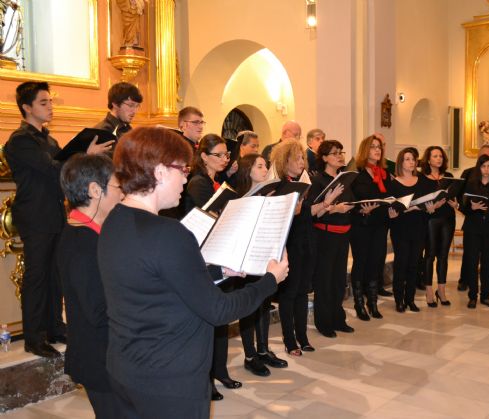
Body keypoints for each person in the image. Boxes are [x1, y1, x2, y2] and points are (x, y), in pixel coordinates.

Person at [98, 127, 289, 419]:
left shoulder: (114, 220)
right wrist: (269, 281)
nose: (186, 176)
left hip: (125, 367)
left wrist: (217, 271)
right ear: (160, 171)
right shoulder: (169, 233)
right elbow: (218, 310)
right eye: (182, 168)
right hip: (171, 379)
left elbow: (157, 281)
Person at [4, 81, 112, 358]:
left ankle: (54, 327)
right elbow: (51, 169)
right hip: (34, 215)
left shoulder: (50, 140)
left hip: (54, 213)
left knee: (56, 274)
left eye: (50, 101)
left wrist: (81, 158)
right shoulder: (19, 141)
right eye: (43, 102)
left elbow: (63, 171)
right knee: (37, 275)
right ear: (26, 108)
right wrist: (83, 155)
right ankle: (34, 337)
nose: (50, 106)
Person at [57, 154, 123, 419]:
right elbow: (98, 311)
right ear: (96, 190)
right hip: (101, 359)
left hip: (106, 356)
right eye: (118, 187)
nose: (122, 194)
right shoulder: (82, 245)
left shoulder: (87, 234)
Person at [184, 134, 239, 401]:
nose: (224, 159)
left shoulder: (216, 181)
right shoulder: (198, 183)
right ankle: (207, 380)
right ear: (204, 156)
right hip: (202, 255)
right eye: (219, 154)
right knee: (210, 318)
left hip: (217, 251)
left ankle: (220, 370)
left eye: (226, 154)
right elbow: (203, 219)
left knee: (221, 317)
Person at [234, 154, 289, 376]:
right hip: (247, 257)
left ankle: (263, 350)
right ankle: (250, 355)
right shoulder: (239, 198)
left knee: (264, 304)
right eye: (259, 166)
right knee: (249, 305)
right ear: (248, 171)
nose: (265, 169)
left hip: (267, 253)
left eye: (265, 165)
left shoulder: (271, 194)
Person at [271, 139, 315, 356]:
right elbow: (277, 219)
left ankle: (303, 336)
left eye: (303, 158)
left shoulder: (302, 182)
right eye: (297, 158)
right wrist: (293, 212)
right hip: (289, 246)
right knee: (289, 294)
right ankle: (290, 341)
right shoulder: (280, 186)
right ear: (285, 160)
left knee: (303, 292)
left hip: (306, 243)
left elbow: (307, 214)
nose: (301, 162)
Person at [308, 140, 355, 336]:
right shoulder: (318, 180)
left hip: (343, 235)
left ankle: (338, 318)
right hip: (325, 236)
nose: (340, 156)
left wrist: (348, 206)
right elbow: (315, 211)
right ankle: (323, 322)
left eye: (341, 152)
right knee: (324, 281)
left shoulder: (344, 178)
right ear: (325, 157)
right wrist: (335, 207)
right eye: (335, 153)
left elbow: (352, 201)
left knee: (338, 281)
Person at [350, 135, 392, 320]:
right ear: (365, 150)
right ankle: (359, 304)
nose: (377, 150)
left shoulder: (383, 173)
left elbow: (389, 197)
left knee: (376, 263)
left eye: (379, 147)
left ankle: (372, 303)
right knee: (361, 263)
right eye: (373, 147)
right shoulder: (356, 174)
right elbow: (352, 200)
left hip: (380, 224)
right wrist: (363, 209)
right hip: (361, 226)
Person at [456, 144, 489, 293]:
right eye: (484, 164)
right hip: (473, 225)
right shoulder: (469, 177)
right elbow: (462, 201)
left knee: (488, 259)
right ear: (479, 160)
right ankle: (467, 284)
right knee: (470, 257)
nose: (487, 168)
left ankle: (487, 287)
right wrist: (471, 207)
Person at [388, 147, 427, 313]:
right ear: (401, 162)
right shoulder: (393, 184)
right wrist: (393, 213)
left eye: (413, 159)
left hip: (418, 227)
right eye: (408, 159)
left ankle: (410, 299)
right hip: (401, 229)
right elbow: (391, 208)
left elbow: (427, 202)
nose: (412, 162)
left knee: (414, 264)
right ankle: (399, 300)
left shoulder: (422, 181)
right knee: (401, 264)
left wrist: (424, 207)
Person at [420, 146, 457, 308]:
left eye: (440, 156)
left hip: (448, 218)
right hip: (431, 219)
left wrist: (456, 203)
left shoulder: (449, 177)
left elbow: (455, 196)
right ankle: (429, 290)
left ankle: (441, 290)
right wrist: (431, 207)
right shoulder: (422, 178)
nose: (439, 159)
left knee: (443, 256)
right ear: (428, 160)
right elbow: (419, 202)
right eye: (435, 156)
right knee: (430, 255)